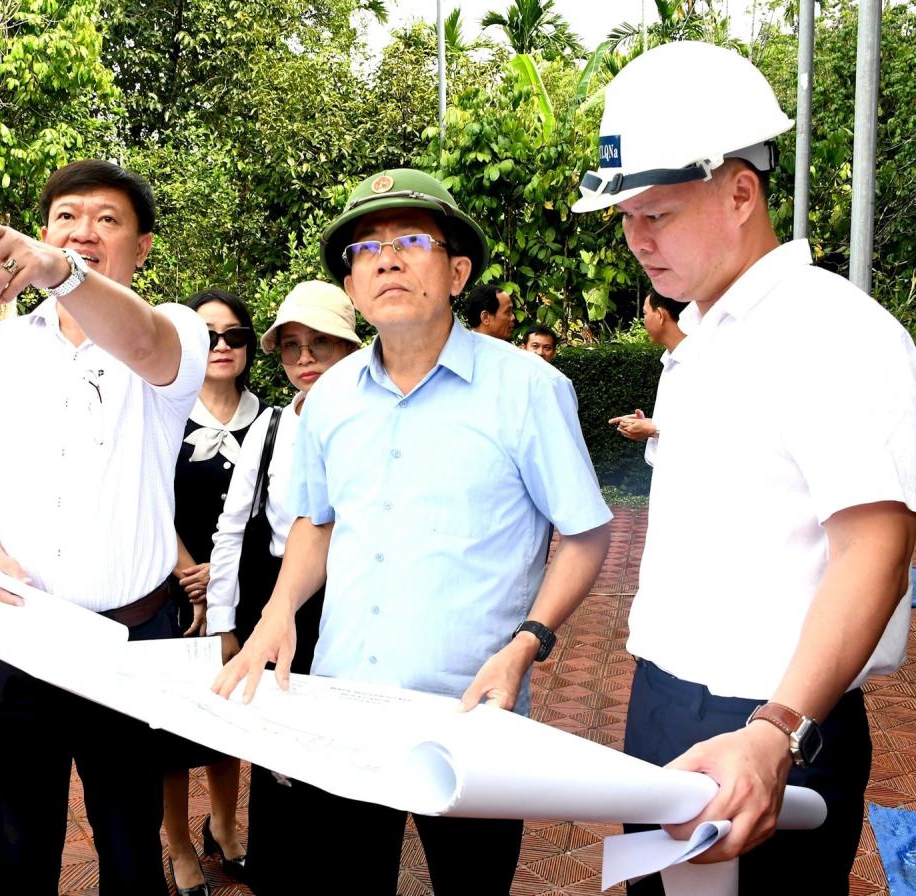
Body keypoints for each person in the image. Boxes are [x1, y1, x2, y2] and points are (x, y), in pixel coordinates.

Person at [572, 41, 916, 893]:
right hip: (667, 701)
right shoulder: (707, 338)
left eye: (656, 213)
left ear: (739, 191)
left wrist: (776, 730)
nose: (636, 241)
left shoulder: (832, 332)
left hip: (770, 722)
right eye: (625, 217)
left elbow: (876, 548)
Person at [214, 168, 612, 895]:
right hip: (345, 704)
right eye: (365, 249)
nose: (387, 259)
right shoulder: (329, 398)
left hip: (471, 710)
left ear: (458, 271)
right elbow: (316, 520)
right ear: (353, 285)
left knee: (471, 886)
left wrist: (529, 643)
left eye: (412, 240)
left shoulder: (528, 390)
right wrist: (275, 614)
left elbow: (586, 537)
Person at [0, 158, 209, 896]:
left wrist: (64, 274)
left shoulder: (174, 334)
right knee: (16, 854)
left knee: (128, 848)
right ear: (43, 228)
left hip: (127, 643)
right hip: (14, 643)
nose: (84, 232)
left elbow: (145, 343)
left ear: (142, 247)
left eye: (107, 220)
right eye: (67, 218)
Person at [205, 279, 360, 894]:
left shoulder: (379, 421)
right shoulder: (270, 430)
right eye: (291, 346)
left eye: (321, 343)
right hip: (284, 601)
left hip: (356, 603)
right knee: (278, 756)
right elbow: (229, 529)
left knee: (344, 749)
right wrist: (225, 623)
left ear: (351, 344)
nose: (305, 359)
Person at [163, 288, 266, 896]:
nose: (221, 347)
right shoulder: (163, 413)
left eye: (233, 336)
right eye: (207, 336)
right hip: (174, 588)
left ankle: (225, 828)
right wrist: (189, 572)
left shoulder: (273, 417)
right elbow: (146, 496)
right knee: (173, 729)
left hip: (248, 595)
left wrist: (225, 581)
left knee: (231, 720)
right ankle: (177, 845)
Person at [608, 292, 688, 447]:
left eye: (645, 313)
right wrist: (648, 425)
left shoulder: (698, 361)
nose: (643, 321)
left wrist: (654, 430)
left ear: (660, 315)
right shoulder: (671, 359)